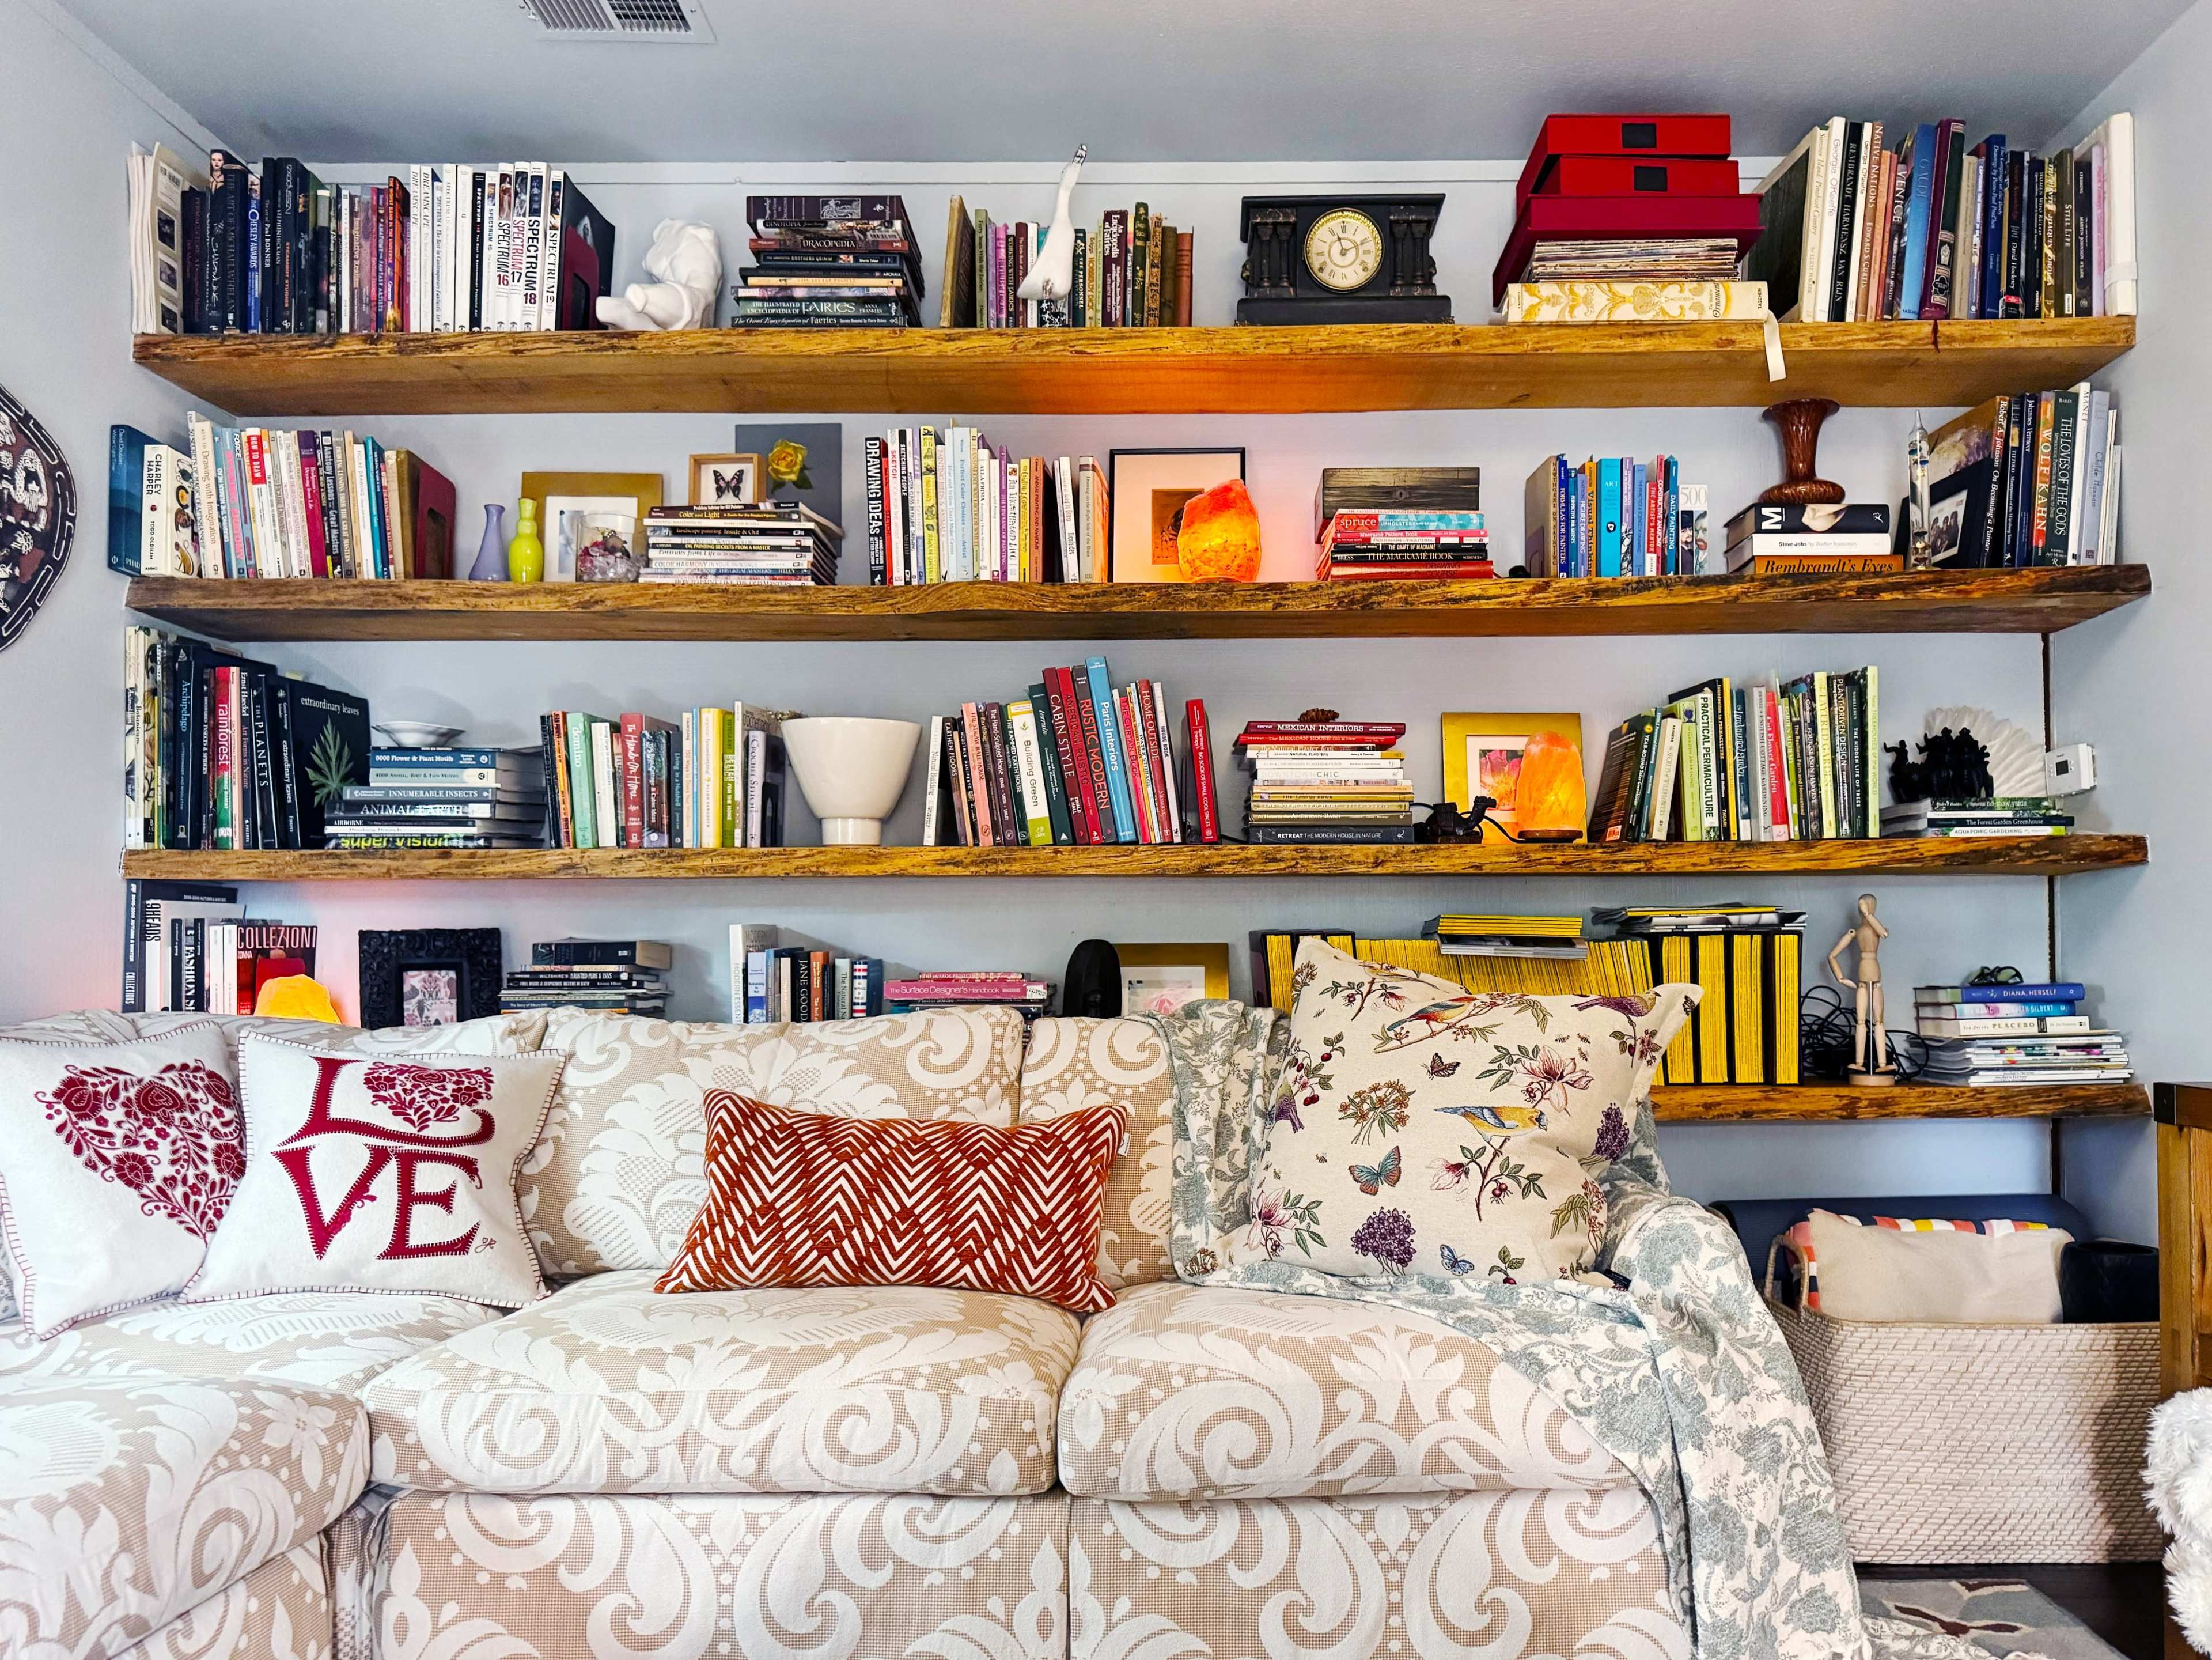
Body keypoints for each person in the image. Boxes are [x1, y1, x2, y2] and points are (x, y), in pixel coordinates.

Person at [1826, 893, 1892, 1080]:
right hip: (1862, 980)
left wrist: (1868, 915)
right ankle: (1860, 1063)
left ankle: (1882, 1065)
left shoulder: (1876, 928)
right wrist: (1841, 978)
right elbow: (1832, 956)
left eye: (1866, 906)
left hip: (1875, 977)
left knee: (1879, 1021)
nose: (1863, 909)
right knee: (1861, 1021)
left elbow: (1883, 933)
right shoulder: (1855, 932)